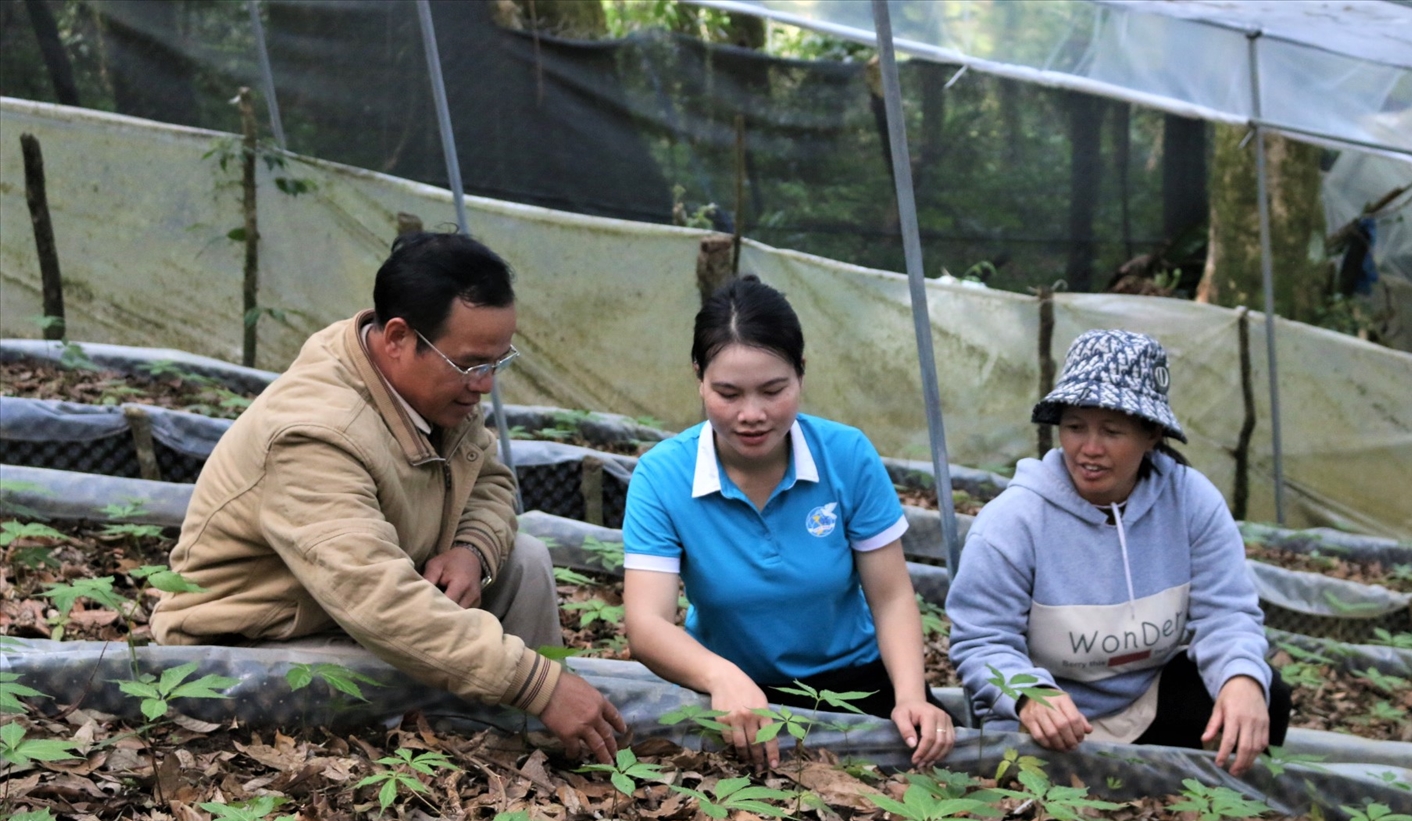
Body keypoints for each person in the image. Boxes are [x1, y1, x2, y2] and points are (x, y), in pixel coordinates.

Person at [151, 232, 624, 762]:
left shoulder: (439, 386)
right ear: (398, 337)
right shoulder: (314, 431)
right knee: (421, 663)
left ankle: (524, 747)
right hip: (250, 647)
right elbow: (374, 596)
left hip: (347, 612)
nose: (485, 385)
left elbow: (490, 482)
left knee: (525, 560)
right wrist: (540, 684)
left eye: (497, 362)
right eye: (473, 365)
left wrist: (472, 550)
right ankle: (483, 747)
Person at [621, 276, 955, 770]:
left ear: (801, 373)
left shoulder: (846, 456)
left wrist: (910, 694)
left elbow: (890, 596)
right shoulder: (663, 475)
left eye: (773, 390)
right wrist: (718, 676)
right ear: (699, 377)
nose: (751, 414)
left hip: (857, 681)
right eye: (728, 393)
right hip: (732, 692)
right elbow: (646, 623)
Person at [946, 328, 1290, 777]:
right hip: (1044, 723)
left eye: (1112, 431)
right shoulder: (1013, 520)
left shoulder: (1189, 501)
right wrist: (1029, 695)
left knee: (1266, 695)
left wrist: (1242, 678)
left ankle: (1193, 798)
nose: (1089, 449)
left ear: (1151, 434)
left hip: (1145, 704)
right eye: (1074, 427)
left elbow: (1227, 613)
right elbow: (981, 640)